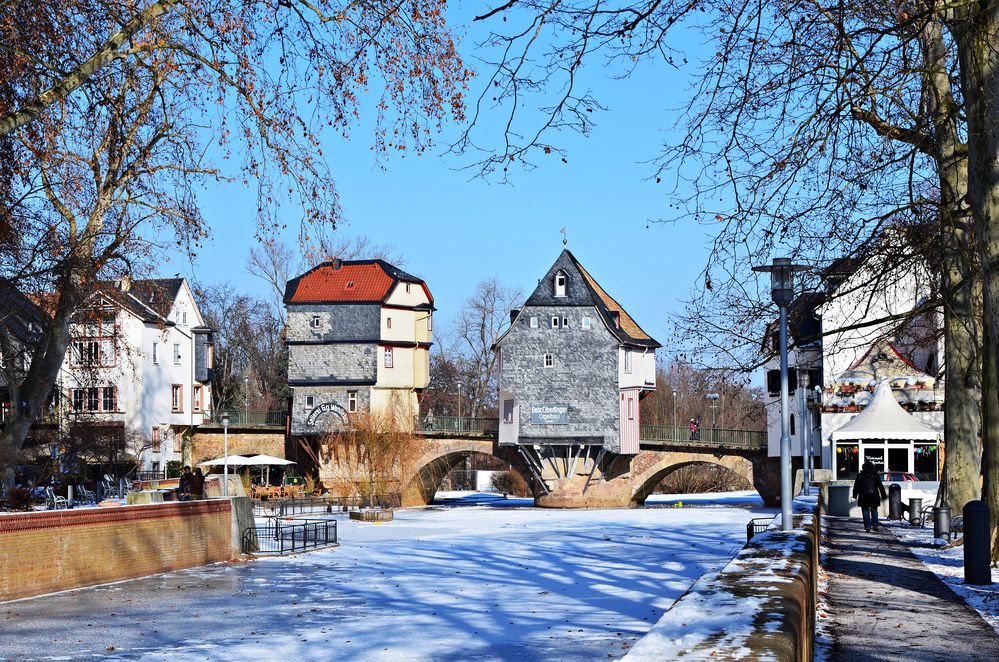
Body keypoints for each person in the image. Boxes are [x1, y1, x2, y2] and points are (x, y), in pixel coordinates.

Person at [852, 461, 887, 532]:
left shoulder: (860, 475)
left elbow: (856, 486)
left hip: (863, 495)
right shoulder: (875, 475)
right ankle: (875, 525)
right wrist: (884, 495)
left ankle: (867, 527)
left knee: (865, 511)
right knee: (874, 510)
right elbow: (880, 486)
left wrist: (855, 495)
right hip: (874, 495)